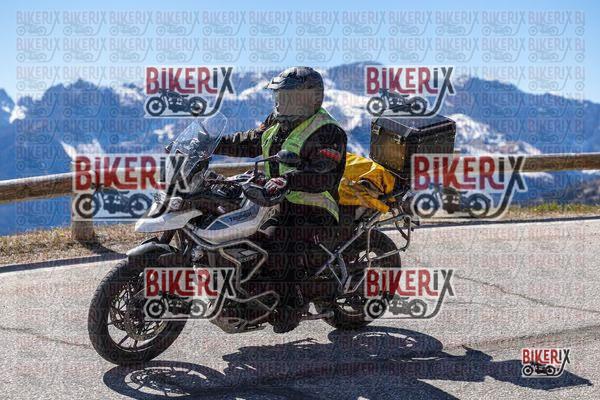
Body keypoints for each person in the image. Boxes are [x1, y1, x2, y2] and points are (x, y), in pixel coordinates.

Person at [213, 66, 347, 332]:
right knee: (238, 228)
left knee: (280, 242)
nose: (283, 102)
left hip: (312, 206)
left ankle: (290, 305)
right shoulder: (278, 121)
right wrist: (213, 143)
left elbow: (323, 174)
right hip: (274, 198)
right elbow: (251, 140)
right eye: (281, 96)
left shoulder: (328, 131)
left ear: (310, 99)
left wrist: (288, 180)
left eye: (290, 97)